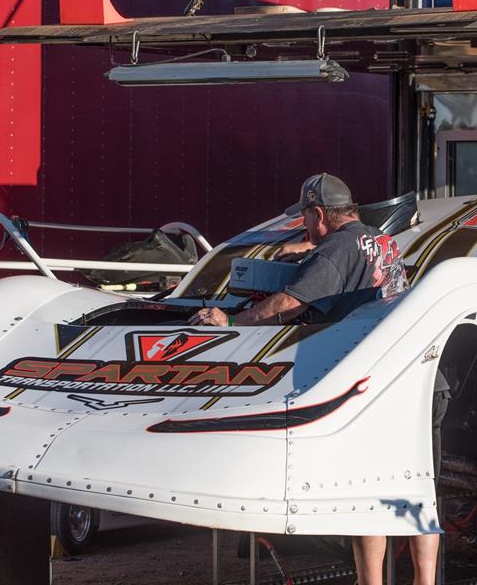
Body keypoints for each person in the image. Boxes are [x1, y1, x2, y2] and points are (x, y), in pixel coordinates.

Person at [189, 173, 444, 585]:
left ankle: (370, 582)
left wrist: (231, 319)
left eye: (305, 217)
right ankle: (426, 581)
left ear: (319, 214)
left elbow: (289, 303)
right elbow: (354, 268)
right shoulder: (380, 239)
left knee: (371, 492)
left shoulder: (335, 250)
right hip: (424, 378)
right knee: (418, 486)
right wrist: (312, 252)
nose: (303, 225)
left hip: (378, 388)